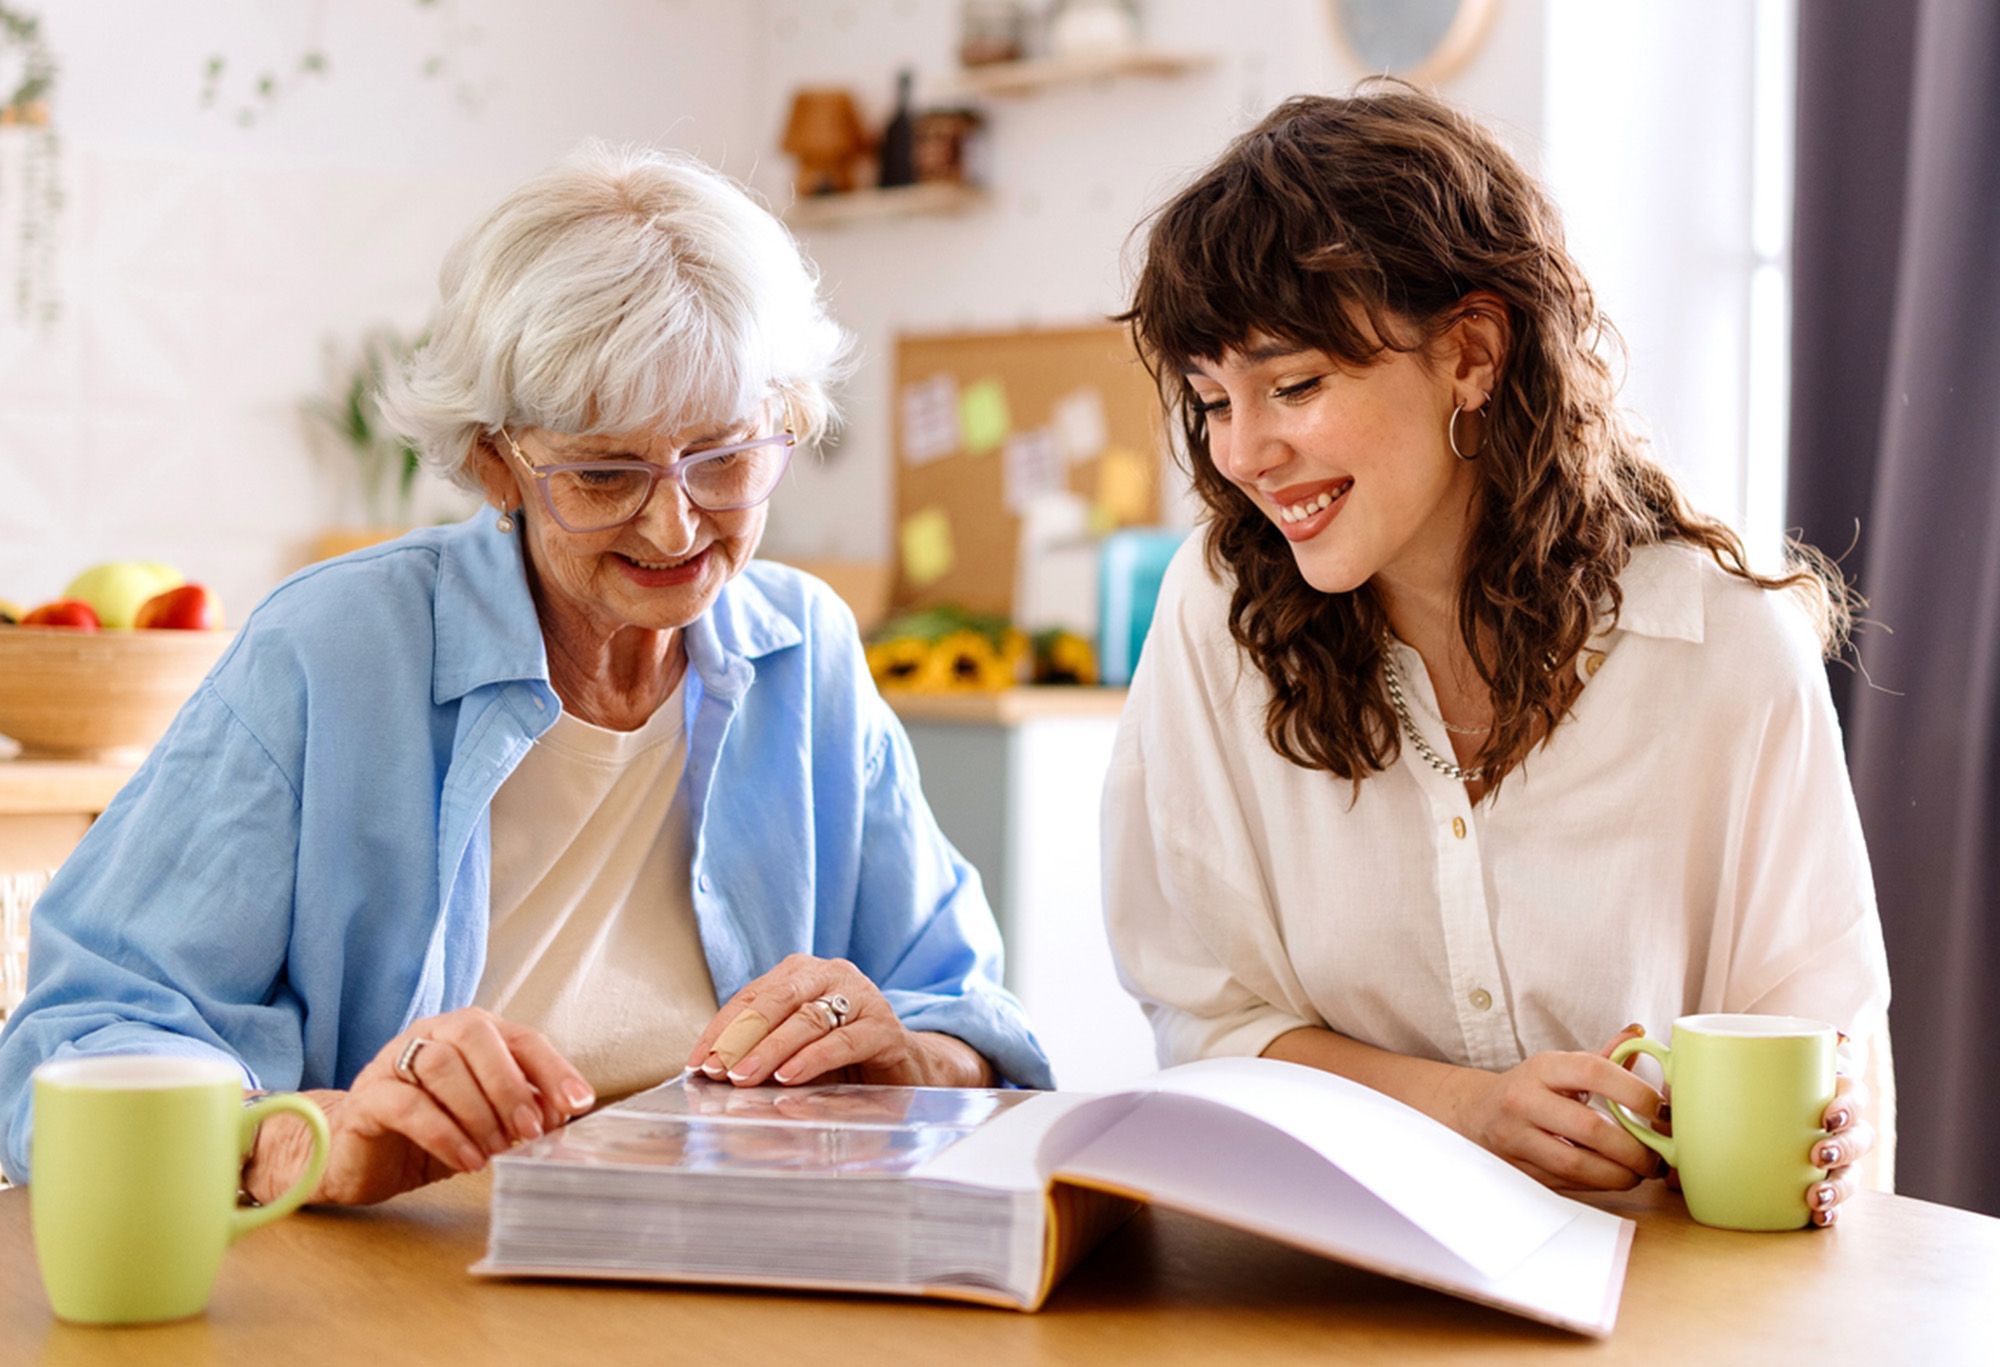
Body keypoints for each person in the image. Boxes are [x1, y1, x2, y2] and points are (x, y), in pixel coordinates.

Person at [0, 142, 1050, 1205]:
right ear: (496, 461)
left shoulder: (803, 648)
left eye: (725, 458)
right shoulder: (333, 650)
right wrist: (305, 1139)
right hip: (414, 1251)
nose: (675, 524)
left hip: (739, 1238)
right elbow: (75, 1041)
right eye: (604, 472)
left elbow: (968, 1011)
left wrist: (906, 1061)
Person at [1104, 88, 1889, 1224]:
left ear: (1470, 352)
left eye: (1295, 385)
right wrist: (1467, 1108)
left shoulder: (1719, 645)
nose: (1243, 453)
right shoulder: (1217, 612)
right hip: (1330, 1269)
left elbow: (1820, 1044)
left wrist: (1824, 1133)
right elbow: (1208, 1019)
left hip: (1662, 1283)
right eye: (1212, 399)